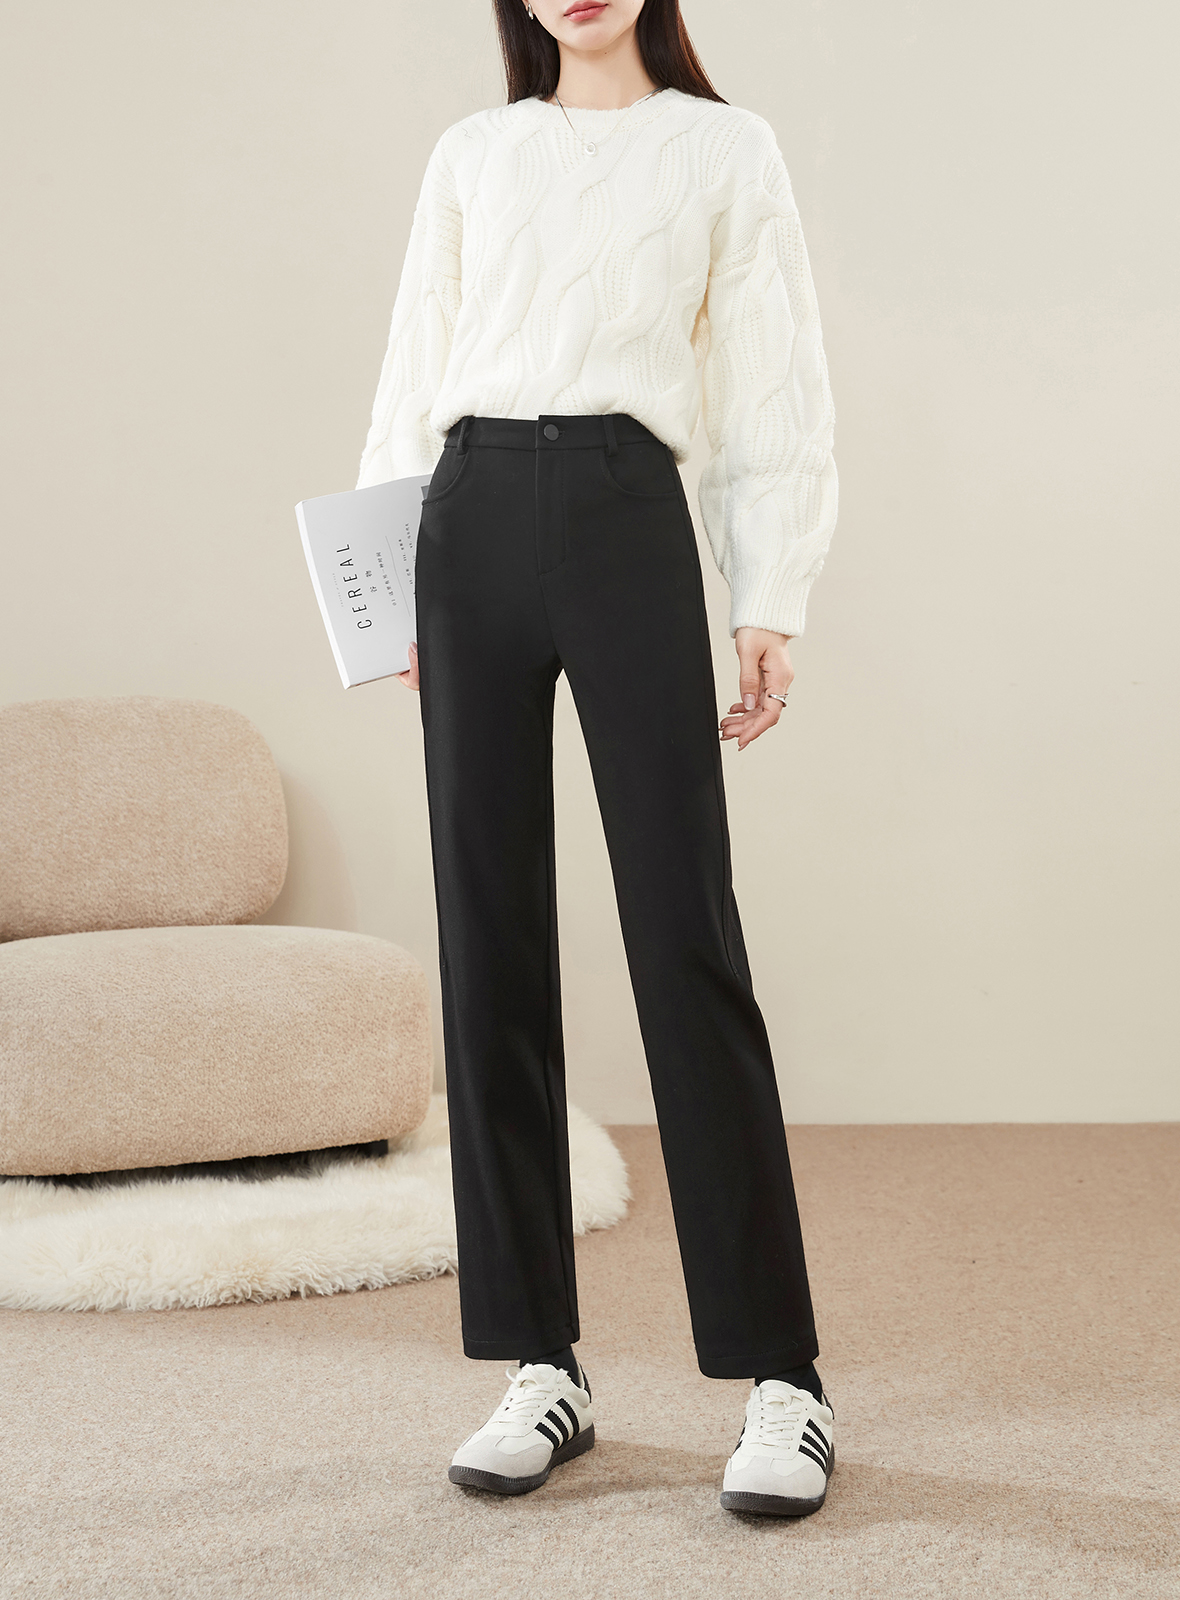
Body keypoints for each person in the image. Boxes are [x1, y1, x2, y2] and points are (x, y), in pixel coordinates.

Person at [356, 0, 838, 1518]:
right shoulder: (474, 152)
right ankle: (537, 1364)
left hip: (632, 513)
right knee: (488, 941)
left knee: (685, 934)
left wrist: (768, 598)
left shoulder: (725, 149)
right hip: (470, 516)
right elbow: (413, 365)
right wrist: (380, 593)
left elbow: (771, 376)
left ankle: (782, 1382)